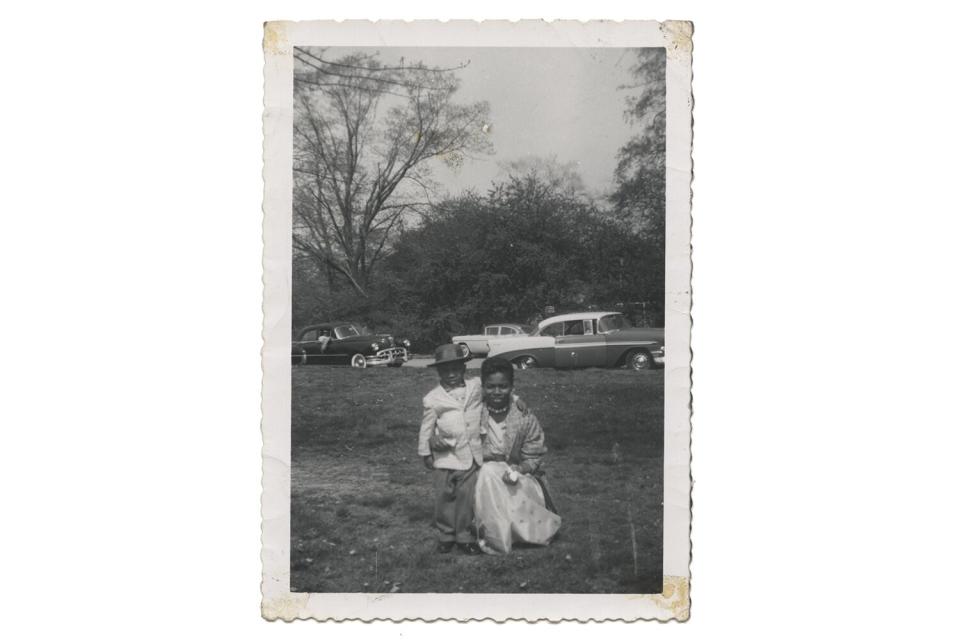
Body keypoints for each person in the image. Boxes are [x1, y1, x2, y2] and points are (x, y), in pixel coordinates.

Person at [473, 357, 561, 554]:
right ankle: (497, 536)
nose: (496, 392)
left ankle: (514, 531)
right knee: (487, 473)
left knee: (507, 488)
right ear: (483, 386)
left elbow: (534, 454)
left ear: (512, 386)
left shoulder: (524, 416)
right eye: (490, 386)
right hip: (484, 472)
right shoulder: (475, 411)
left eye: (503, 387)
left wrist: (520, 469)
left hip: (516, 472)